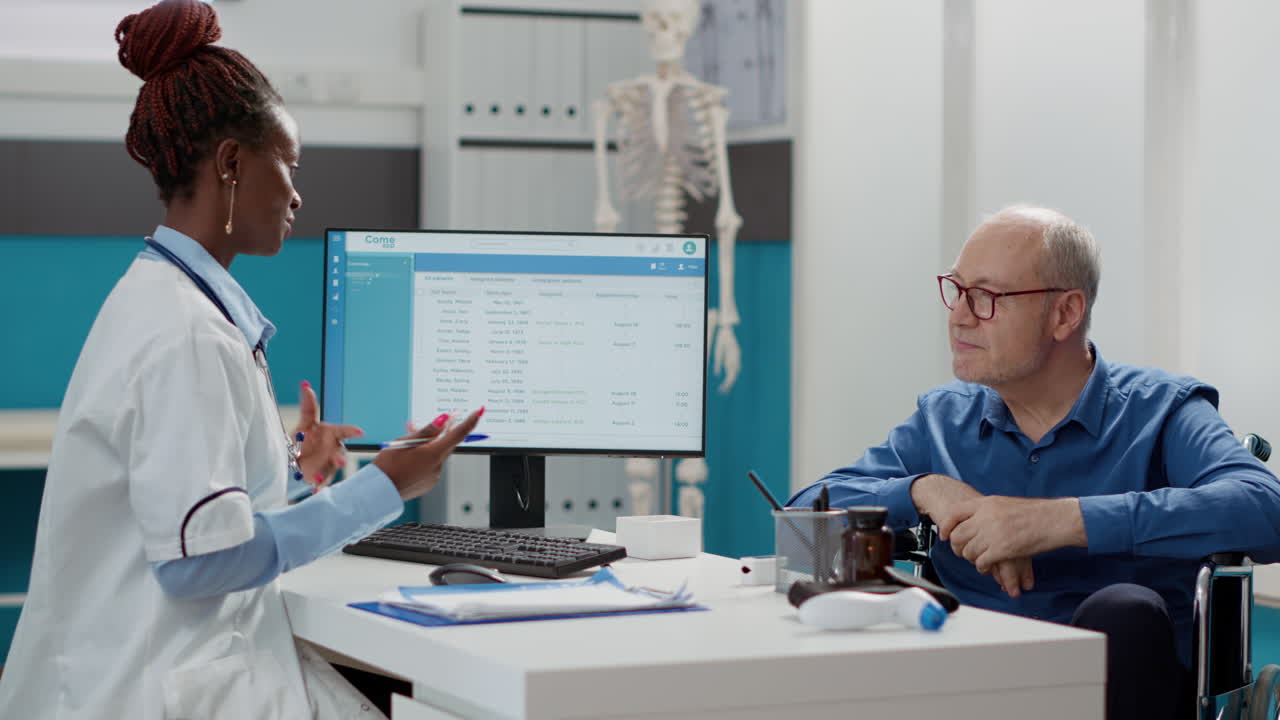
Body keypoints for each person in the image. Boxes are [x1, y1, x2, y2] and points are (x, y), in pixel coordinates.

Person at [0, 1, 481, 717]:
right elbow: (204, 562)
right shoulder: (183, 331)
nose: (296, 192)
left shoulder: (169, 302)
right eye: (287, 164)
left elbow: (180, 491)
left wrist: (294, 470)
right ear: (231, 162)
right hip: (157, 686)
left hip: (159, 664)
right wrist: (385, 485)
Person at [789, 205, 1280, 719]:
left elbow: (1264, 509)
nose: (958, 315)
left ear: (1065, 313)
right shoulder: (942, 421)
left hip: (1122, 691)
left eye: (985, 297)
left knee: (1125, 608)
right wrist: (925, 491)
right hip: (970, 690)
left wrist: (1062, 521)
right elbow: (801, 526)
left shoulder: (1163, 411)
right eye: (956, 291)